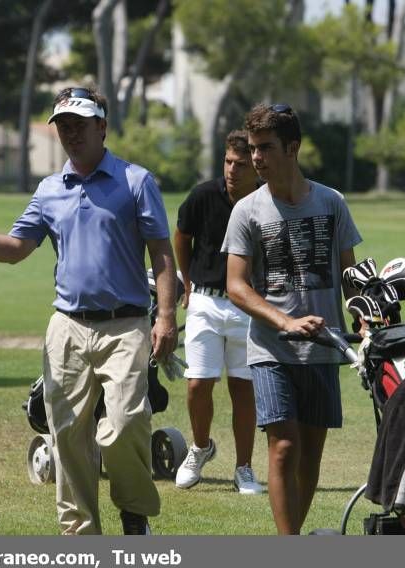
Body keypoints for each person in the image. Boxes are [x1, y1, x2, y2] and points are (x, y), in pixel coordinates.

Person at [0, 87, 178, 536]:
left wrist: (166, 317)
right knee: (67, 436)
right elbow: (14, 249)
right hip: (67, 326)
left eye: (79, 124)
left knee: (124, 425)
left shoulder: (135, 181)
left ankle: (133, 512)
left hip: (125, 325)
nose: (70, 133)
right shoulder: (50, 190)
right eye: (63, 126)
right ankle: (81, 535)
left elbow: (161, 253)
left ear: (102, 126)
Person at [222, 103, 362, 534]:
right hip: (271, 348)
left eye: (265, 148)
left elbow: (350, 275)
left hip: (323, 348)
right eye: (252, 148)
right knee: (284, 448)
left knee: (310, 457)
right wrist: (282, 322)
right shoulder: (246, 210)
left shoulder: (331, 203)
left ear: (293, 147)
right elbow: (237, 286)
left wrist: (367, 321)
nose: (256, 158)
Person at [173, 130, 264, 495]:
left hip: (248, 307)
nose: (231, 170)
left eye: (240, 165)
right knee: (198, 384)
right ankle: (200, 448)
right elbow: (181, 236)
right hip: (205, 303)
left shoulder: (264, 200)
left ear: (255, 168)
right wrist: (188, 281)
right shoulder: (202, 195)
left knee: (243, 391)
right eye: (227, 162)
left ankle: (244, 468)